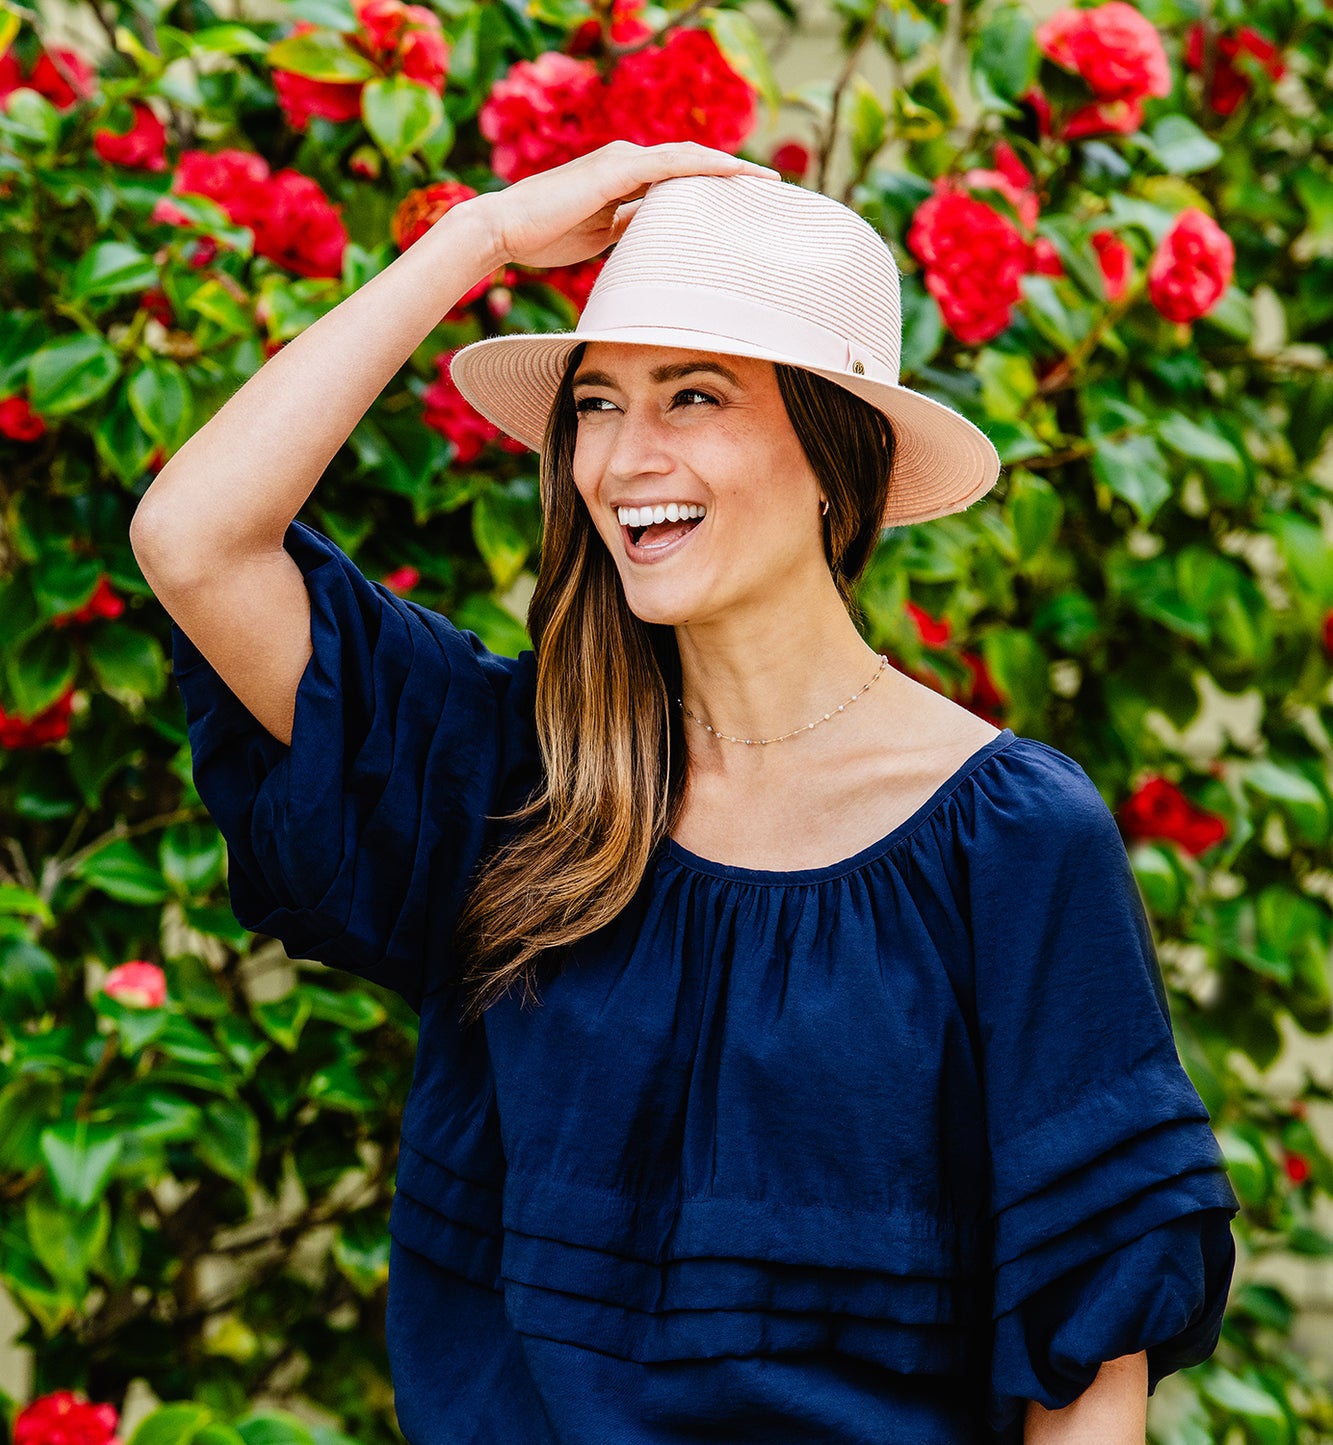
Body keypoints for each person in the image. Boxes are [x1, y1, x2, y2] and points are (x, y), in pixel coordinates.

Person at [132, 141, 1241, 1444]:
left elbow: (1086, 1363)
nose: (621, 457)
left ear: (840, 457)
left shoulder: (1006, 841)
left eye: (693, 396)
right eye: (596, 403)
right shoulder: (513, 776)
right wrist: (477, 236)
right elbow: (193, 539)